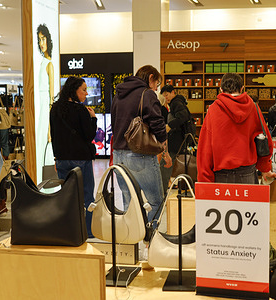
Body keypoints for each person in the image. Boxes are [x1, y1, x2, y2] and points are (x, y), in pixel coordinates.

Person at [111, 65, 168, 222]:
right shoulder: (147, 94)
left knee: (129, 203)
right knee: (156, 202)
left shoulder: (118, 94)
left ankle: (131, 242)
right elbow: (157, 122)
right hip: (139, 155)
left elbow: (114, 121)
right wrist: (163, 142)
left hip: (118, 155)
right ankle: (151, 241)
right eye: (157, 83)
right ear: (150, 78)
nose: (157, 89)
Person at [197, 73, 276, 184]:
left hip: (221, 175)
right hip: (247, 173)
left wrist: (204, 179)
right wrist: (265, 168)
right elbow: (265, 139)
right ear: (242, 88)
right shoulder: (253, 108)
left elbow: (205, 147)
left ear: (220, 89)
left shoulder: (213, 109)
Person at [50, 76, 97, 238]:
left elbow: (54, 135)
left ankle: (69, 230)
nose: (86, 93)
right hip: (81, 158)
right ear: (74, 90)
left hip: (62, 159)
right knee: (86, 196)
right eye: (83, 89)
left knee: (67, 195)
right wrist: (94, 119)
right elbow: (89, 135)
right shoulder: (81, 110)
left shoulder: (55, 109)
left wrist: (56, 158)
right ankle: (88, 232)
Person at [159, 84, 193, 194]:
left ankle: (161, 193)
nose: (166, 97)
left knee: (165, 165)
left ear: (173, 92)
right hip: (179, 140)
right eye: (164, 96)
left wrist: (169, 126)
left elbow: (183, 116)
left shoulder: (176, 103)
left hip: (176, 141)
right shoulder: (176, 103)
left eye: (167, 94)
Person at [37, 24, 55, 182]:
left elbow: (51, 99)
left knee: (44, 143)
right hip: (39, 107)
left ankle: (45, 181)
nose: (41, 43)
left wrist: (50, 128)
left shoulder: (49, 64)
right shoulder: (42, 63)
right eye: (39, 39)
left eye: (43, 39)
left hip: (44, 109)